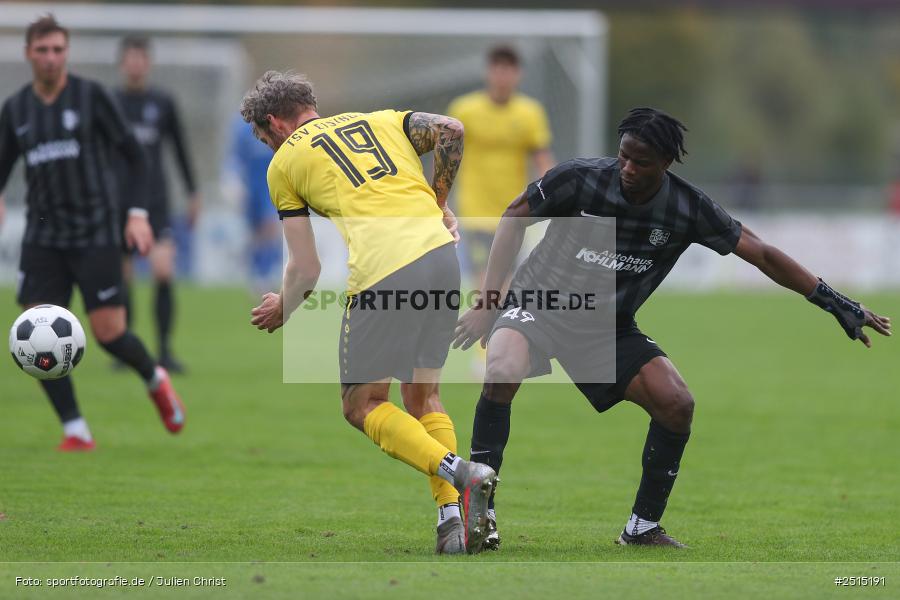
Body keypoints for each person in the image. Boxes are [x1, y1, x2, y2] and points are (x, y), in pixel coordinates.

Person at [454, 107, 892, 549]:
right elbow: (514, 215)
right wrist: (490, 302)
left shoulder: (687, 207)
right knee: (503, 367)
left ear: (666, 163)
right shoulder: (580, 178)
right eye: (623, 156)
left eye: (640, 162)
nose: (627, 167)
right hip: (539, 305)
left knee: (676, 402)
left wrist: (835, 302)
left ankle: (642, 529)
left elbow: (760, 253)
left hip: (607, 327)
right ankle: (481, 508)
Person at [239, 70, 498, 554]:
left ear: (273, 124)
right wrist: (438, 202)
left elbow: (306, 268)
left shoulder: (284, 165)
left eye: (262, 138)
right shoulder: (381, 120)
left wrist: (284, 307)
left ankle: (461, 472)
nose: (267, 148)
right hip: (444, 258)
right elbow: (452, 130)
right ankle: (451, 523)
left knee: (362, 405)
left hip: (386, 271)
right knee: (425, 398)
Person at [0, 15, 186, 451]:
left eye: (57, 50)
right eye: (42, 50)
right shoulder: (16, 110)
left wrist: (137, 214)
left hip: (95, 233)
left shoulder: (92, 97)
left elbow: (137, 158)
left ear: (67, 53)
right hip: (43, 238)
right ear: (29, 53)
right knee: (36, 334)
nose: (50, 58)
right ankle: (75, 429)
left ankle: (153, 376)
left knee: (109, 335)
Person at [114, 35, 200, 373]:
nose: (135, 64)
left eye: (141, 58)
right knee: (124, 276)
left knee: (163, 270)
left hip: (156, 201)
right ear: (122, 63)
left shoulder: (163, 102)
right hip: (119, 200)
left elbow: (179, 149)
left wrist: (194, 193)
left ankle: (164, 350)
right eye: (130, 58)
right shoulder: (111, 102)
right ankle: (127, 350)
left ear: (147, 63)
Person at [448, 44, 554, 285]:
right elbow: (447, 157)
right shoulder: (464, 110)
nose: (502, 77)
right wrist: (436, 197)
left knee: (506, 281)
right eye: (498, 69)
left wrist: (556, 194)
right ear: (488, 72)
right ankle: (485, 321)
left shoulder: (530, 113)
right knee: (483, 282)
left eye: (509, 70)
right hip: (474, 212)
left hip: (514, 211)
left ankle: (493, 322)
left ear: (518, 74)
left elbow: (542, 158)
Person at [224, 114, 282, 293]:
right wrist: (231, 180)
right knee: (256, 235)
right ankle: (257, 273)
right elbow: (235, 157)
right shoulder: (241, 127)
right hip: (250, 188)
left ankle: (266, 274)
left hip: (271, 185)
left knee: (270, 227)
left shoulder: (277, 121)